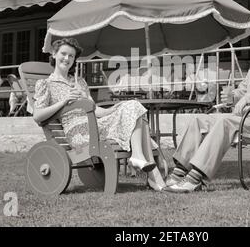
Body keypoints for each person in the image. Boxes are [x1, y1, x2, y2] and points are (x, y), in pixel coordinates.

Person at [164, 26, 250, 193]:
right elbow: (242, 91)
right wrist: (232, 96)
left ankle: (194, 179)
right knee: (198, 120)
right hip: (246, 118)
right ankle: (178, 172)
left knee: (225, 122)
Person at [32, 38, 166, 191]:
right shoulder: (45, 84)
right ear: (54, 54)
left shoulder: (79, 82)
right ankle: (153, 175)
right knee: (136, 114)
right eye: (64, 54)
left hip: (95, 124)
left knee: (133, 105)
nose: (67, 58)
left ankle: (137, 156)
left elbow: (94, 109)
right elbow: (37, 116)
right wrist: (64, 101)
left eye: (71, 56)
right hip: (79, 133)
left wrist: (114, 109)